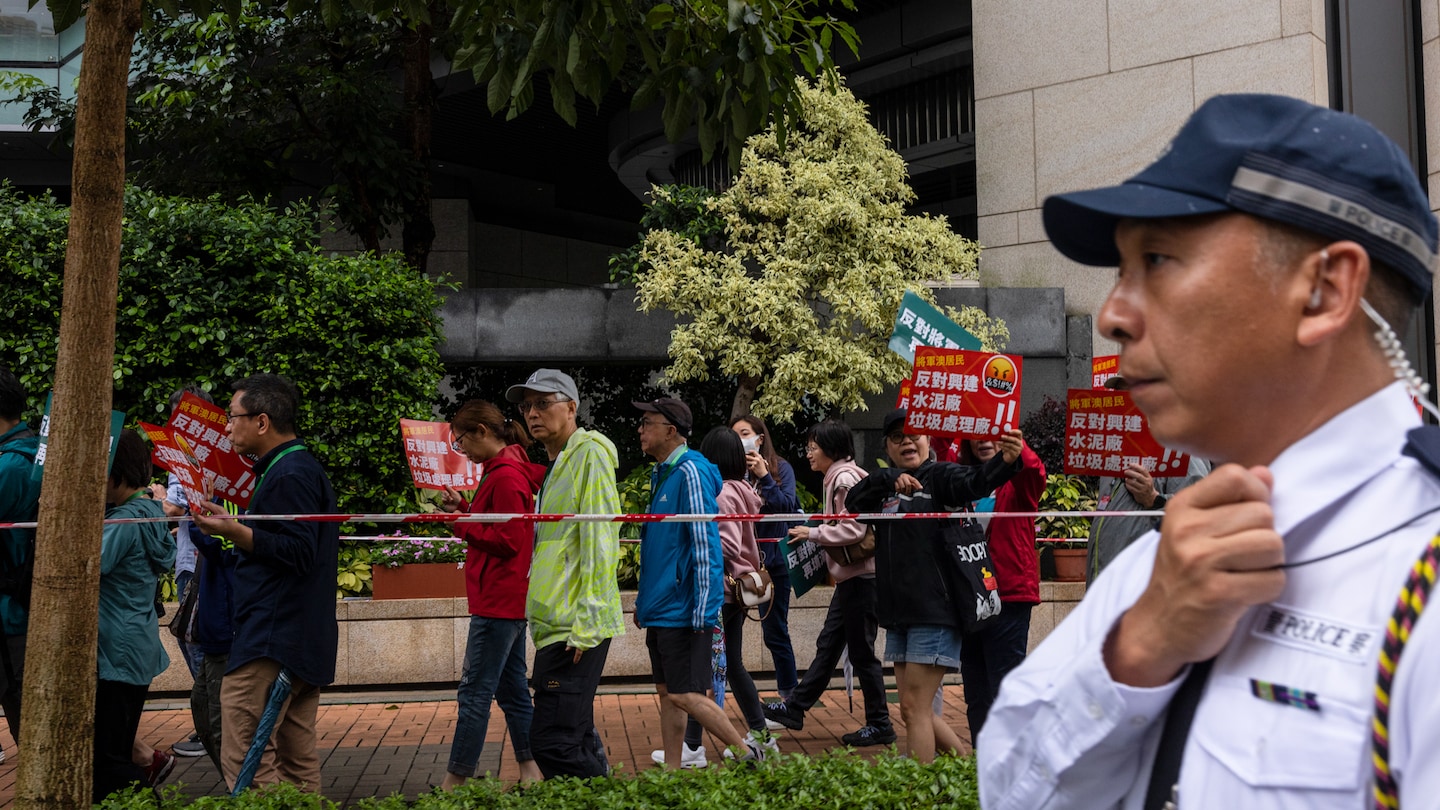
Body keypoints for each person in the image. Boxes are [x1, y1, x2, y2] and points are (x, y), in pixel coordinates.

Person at [978, 94, 1440, 808]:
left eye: (1157, 259)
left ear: (1323, 292)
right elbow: (1006, 788)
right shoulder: (1160, 561)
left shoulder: (1422, 576)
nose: (1112, 315)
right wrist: (1138, 651)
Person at [845, 409, 1022, 762]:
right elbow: (853, 503)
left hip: (935, 610)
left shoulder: (941, 476)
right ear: (888, 446)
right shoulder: (886, 487)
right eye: (897, 437)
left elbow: (976, 481)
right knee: (916, 709)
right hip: (898, 614)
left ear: (928, 440)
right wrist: (888, 479)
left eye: (914, 434)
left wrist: (1006, 459)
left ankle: (919, 792)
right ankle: (968, 774)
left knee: (913, 706)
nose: (907, 441)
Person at [193, 373, 339, 792]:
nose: (226, 426)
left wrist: (233, 530)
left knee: (247, 760)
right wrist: (221, 528)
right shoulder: (291, 468)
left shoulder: (290, 474)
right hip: (293, 637)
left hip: (273, 639)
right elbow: (271, 548)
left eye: (232, 416)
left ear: (261, 422)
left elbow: (296, 551)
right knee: (296, 765)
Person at [505, 368, 625, 779]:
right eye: (526, 406)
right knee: (571, 736)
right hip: (556, 623)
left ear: (571, 408)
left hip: (575, 625)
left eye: (543, 403)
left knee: (553, 742)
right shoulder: (555, 466)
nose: (532, 413)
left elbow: (601, 534)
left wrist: (588, 623)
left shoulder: (588, 453)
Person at [634, 398, 765, 766]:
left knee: (687, 694)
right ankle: (675, 769)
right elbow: (658, 549)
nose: (641, 430)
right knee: (668, 693)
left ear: (671, 430)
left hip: (683, 609)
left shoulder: (689, 472)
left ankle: (745, 753)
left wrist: (703, 611)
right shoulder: (663, 472)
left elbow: (705, 545)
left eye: (648, 422)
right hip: (662, 607)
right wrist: (644, 603)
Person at [765, 419, 894, 746]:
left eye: (813, 447)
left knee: (862, 652)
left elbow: (853, 530)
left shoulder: (843, 479)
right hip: (853, 577)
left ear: (832, 449)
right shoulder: (841, 476)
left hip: (861, 578)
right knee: (829, 645)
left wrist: (813, 533)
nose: (808, 453)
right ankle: (795, 708)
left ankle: (880, 724)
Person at [438, 400, 546, 788]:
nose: (460, 448)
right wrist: (465, 511)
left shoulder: (504, 476)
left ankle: (456, 781)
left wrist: (458, 523)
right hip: (507, 600)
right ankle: (531, 770)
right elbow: (504, 531)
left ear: (483, 432)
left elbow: (509, 540)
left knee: (474, 693)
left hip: (497, 602)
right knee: (512, 690)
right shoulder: (506, 472)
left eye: (461, 439)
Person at [92, 430, 177, 803]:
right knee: (116, 746)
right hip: (134, 642)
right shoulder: (148, 510)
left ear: (116, 472)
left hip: (116, 651)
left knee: (108, 757)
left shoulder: (122, 522)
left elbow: (88, 566)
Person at [956, 434, 1045, 742]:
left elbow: (1034, 474)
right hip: (970, 597)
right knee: (975, 688)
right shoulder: (962, 481)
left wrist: (1021, 452)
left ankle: (1013, 758)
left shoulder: (1017, 482)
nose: (983, 442)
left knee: (1005, 685)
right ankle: (981, 761)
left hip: (1009, 595)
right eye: (976, 436)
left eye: (992, 435)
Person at [730, 415, 801, 704]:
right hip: (740, 567)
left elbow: (787, 507)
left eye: (745, 433)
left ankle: (789, 699)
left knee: (775, 632)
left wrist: (765, 477)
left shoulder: (780, 467)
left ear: (760, 438)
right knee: (730, 637)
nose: (740, 439)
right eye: (734, 434)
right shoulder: (732, 470)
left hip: (774, 565)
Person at [162, 384, 211, 759]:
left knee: (195, 643)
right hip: (199, 556)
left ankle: (210, 727)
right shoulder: (215, 452)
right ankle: (212, 725)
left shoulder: (189, 453)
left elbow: (175, 508)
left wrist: (149, 497)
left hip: (194, 562)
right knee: (198, 642)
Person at [1085, 458, 1210, 583]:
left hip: (1147, 589)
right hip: (1105, 586)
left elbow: (1197, 516)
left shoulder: (1184, 451)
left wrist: (1153, 499)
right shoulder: (1115, 454)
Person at [0, 368, 38, 757]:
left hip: (13, 614)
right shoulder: (34, 450)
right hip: (23, 607)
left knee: (28, 721)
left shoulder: (9, 467)